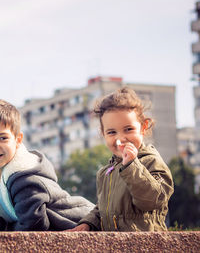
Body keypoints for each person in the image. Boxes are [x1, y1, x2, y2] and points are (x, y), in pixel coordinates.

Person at [0, 99, 94, 231]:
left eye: (3, 138)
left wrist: (2, 233)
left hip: (83, 225)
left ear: (18, 139)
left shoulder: (25, 178)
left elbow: (33, 229)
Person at [68, 87, 174, 232]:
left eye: (128, 129)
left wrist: (132, 166)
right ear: (103, 134)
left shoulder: (151, 161)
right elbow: (103, 210)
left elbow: (153, 200)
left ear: (143, 128)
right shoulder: (106, 172)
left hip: (146, 243)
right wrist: (87, 224)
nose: (120, 138)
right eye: (112, 132)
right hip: (113, 245)